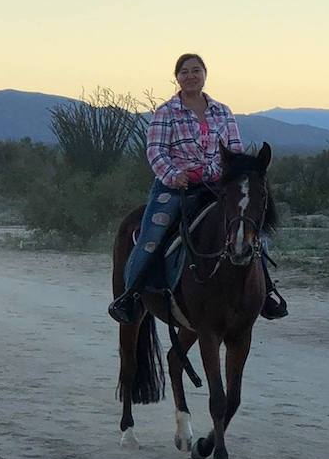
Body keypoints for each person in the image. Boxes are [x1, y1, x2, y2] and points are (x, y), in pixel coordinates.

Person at [108, 53, 287, 323]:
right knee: (152, 235)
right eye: (184, 71)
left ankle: (266, 293)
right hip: (175, 187)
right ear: (176, 78)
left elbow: (234, 152)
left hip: (216, 186)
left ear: (205, 74)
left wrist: (222, 175)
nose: (190, 76)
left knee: (248, 227)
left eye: (196, 70)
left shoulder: (223, 111)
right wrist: (173, 174)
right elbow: (155, 151)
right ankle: (131, 297)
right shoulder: (166, 112)